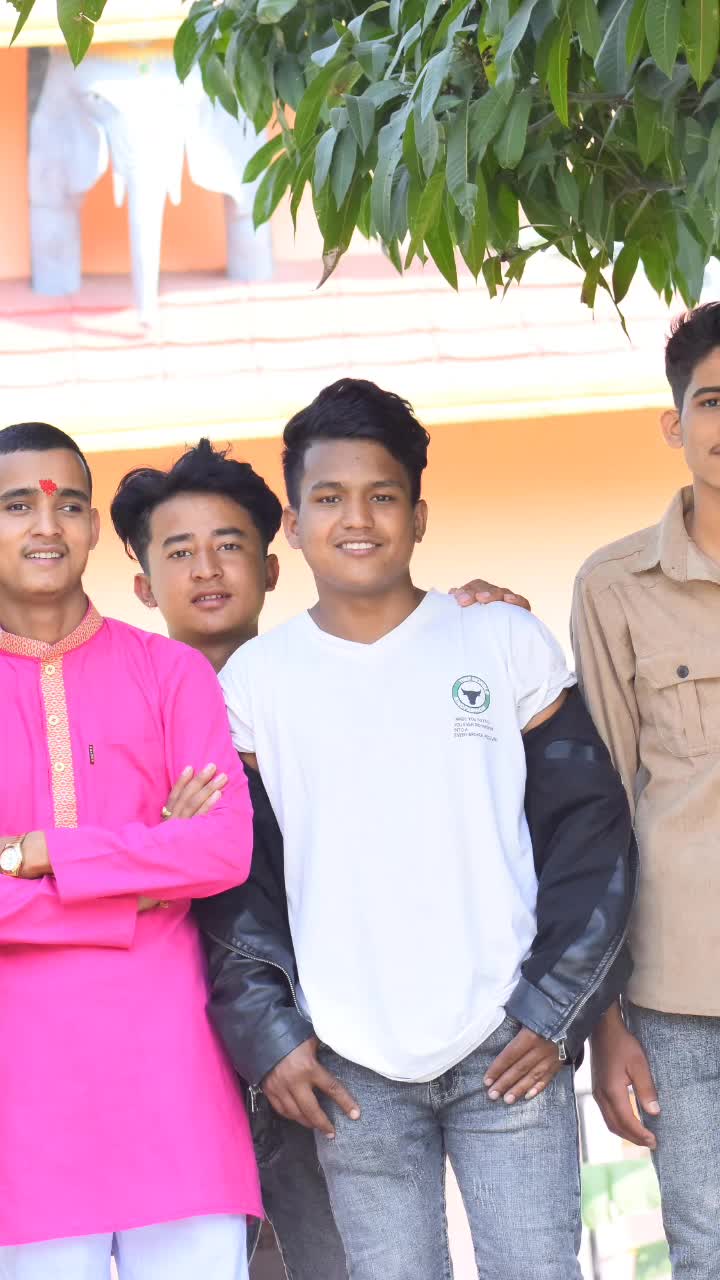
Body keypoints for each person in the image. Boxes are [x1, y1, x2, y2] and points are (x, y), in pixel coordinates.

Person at [219, 377, 637, 1280]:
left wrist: (554, 1009)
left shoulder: (502, 641)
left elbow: (589, 834)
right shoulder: (254, 685)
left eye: (382, 496)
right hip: (349, 1059)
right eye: (328, 497)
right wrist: (274, 1037)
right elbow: (237, 884)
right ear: (293, 523)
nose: (356, 518)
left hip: (508, 1042)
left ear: (418, 516)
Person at [109, 437, 523, 1278]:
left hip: (326, 1049)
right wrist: (162, 847)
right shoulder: (114, 722)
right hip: (174, 1059)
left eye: (229, 545)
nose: (207, 570)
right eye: (179, 552)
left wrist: (472, 619)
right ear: (144, 586)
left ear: (274, 566)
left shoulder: (332, 688)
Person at [0, 422, 260, 1280]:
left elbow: (220, 850)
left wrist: (40, 854)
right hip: (20, 1089)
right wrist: (142, 874)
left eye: (69, 506)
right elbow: (181, 860)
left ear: (90, 528)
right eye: (17, 506)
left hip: (170, 1077)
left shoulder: (171, 673)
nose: (47, 527)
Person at [572, 302, 720, 1280]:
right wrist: (605, 1017)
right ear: (676, 422)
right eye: (713, 400)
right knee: (708, 1248)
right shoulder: (615, 586)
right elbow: (600, 814)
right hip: (679, 991)